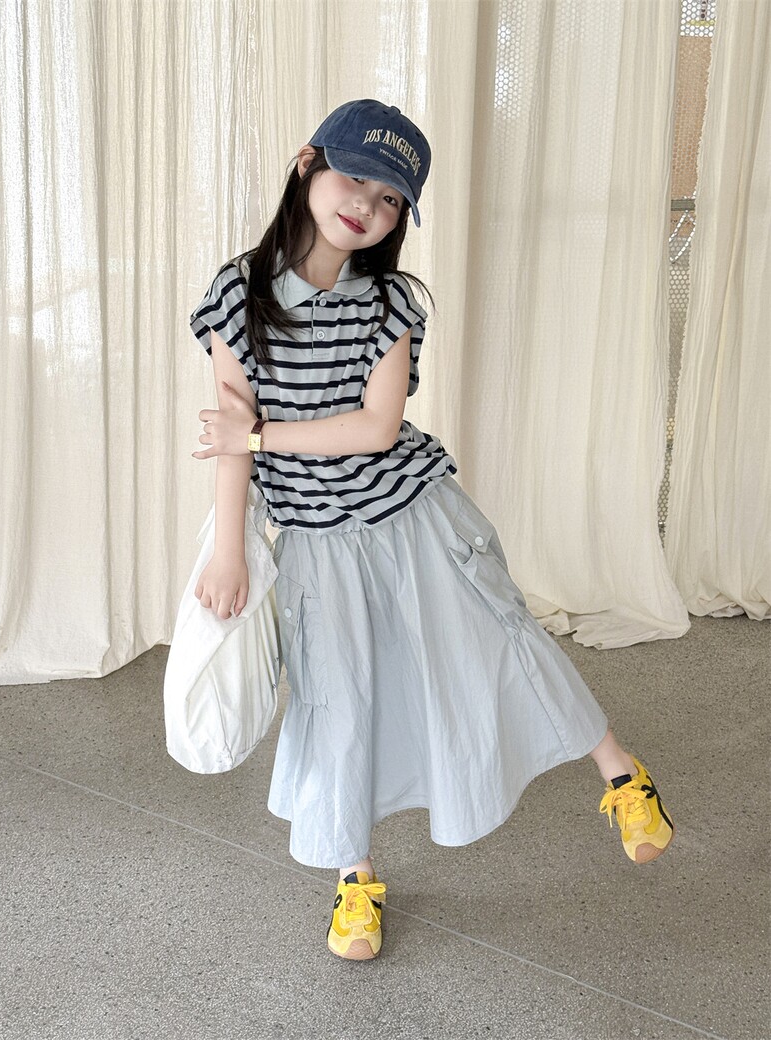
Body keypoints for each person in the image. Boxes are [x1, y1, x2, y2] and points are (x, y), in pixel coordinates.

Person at [186, 99, 674, 963]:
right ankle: (355, 880)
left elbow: (376, 430)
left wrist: (259, 436)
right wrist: (230, 549)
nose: (366, 206)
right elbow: (231, 437)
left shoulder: (393, 303)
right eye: (354, 178)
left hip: (415, 515)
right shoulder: (238, 293)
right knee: (338, 699)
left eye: (390, 199)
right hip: (318, 542)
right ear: (306, 164)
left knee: (503, 638)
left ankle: (624, 775)